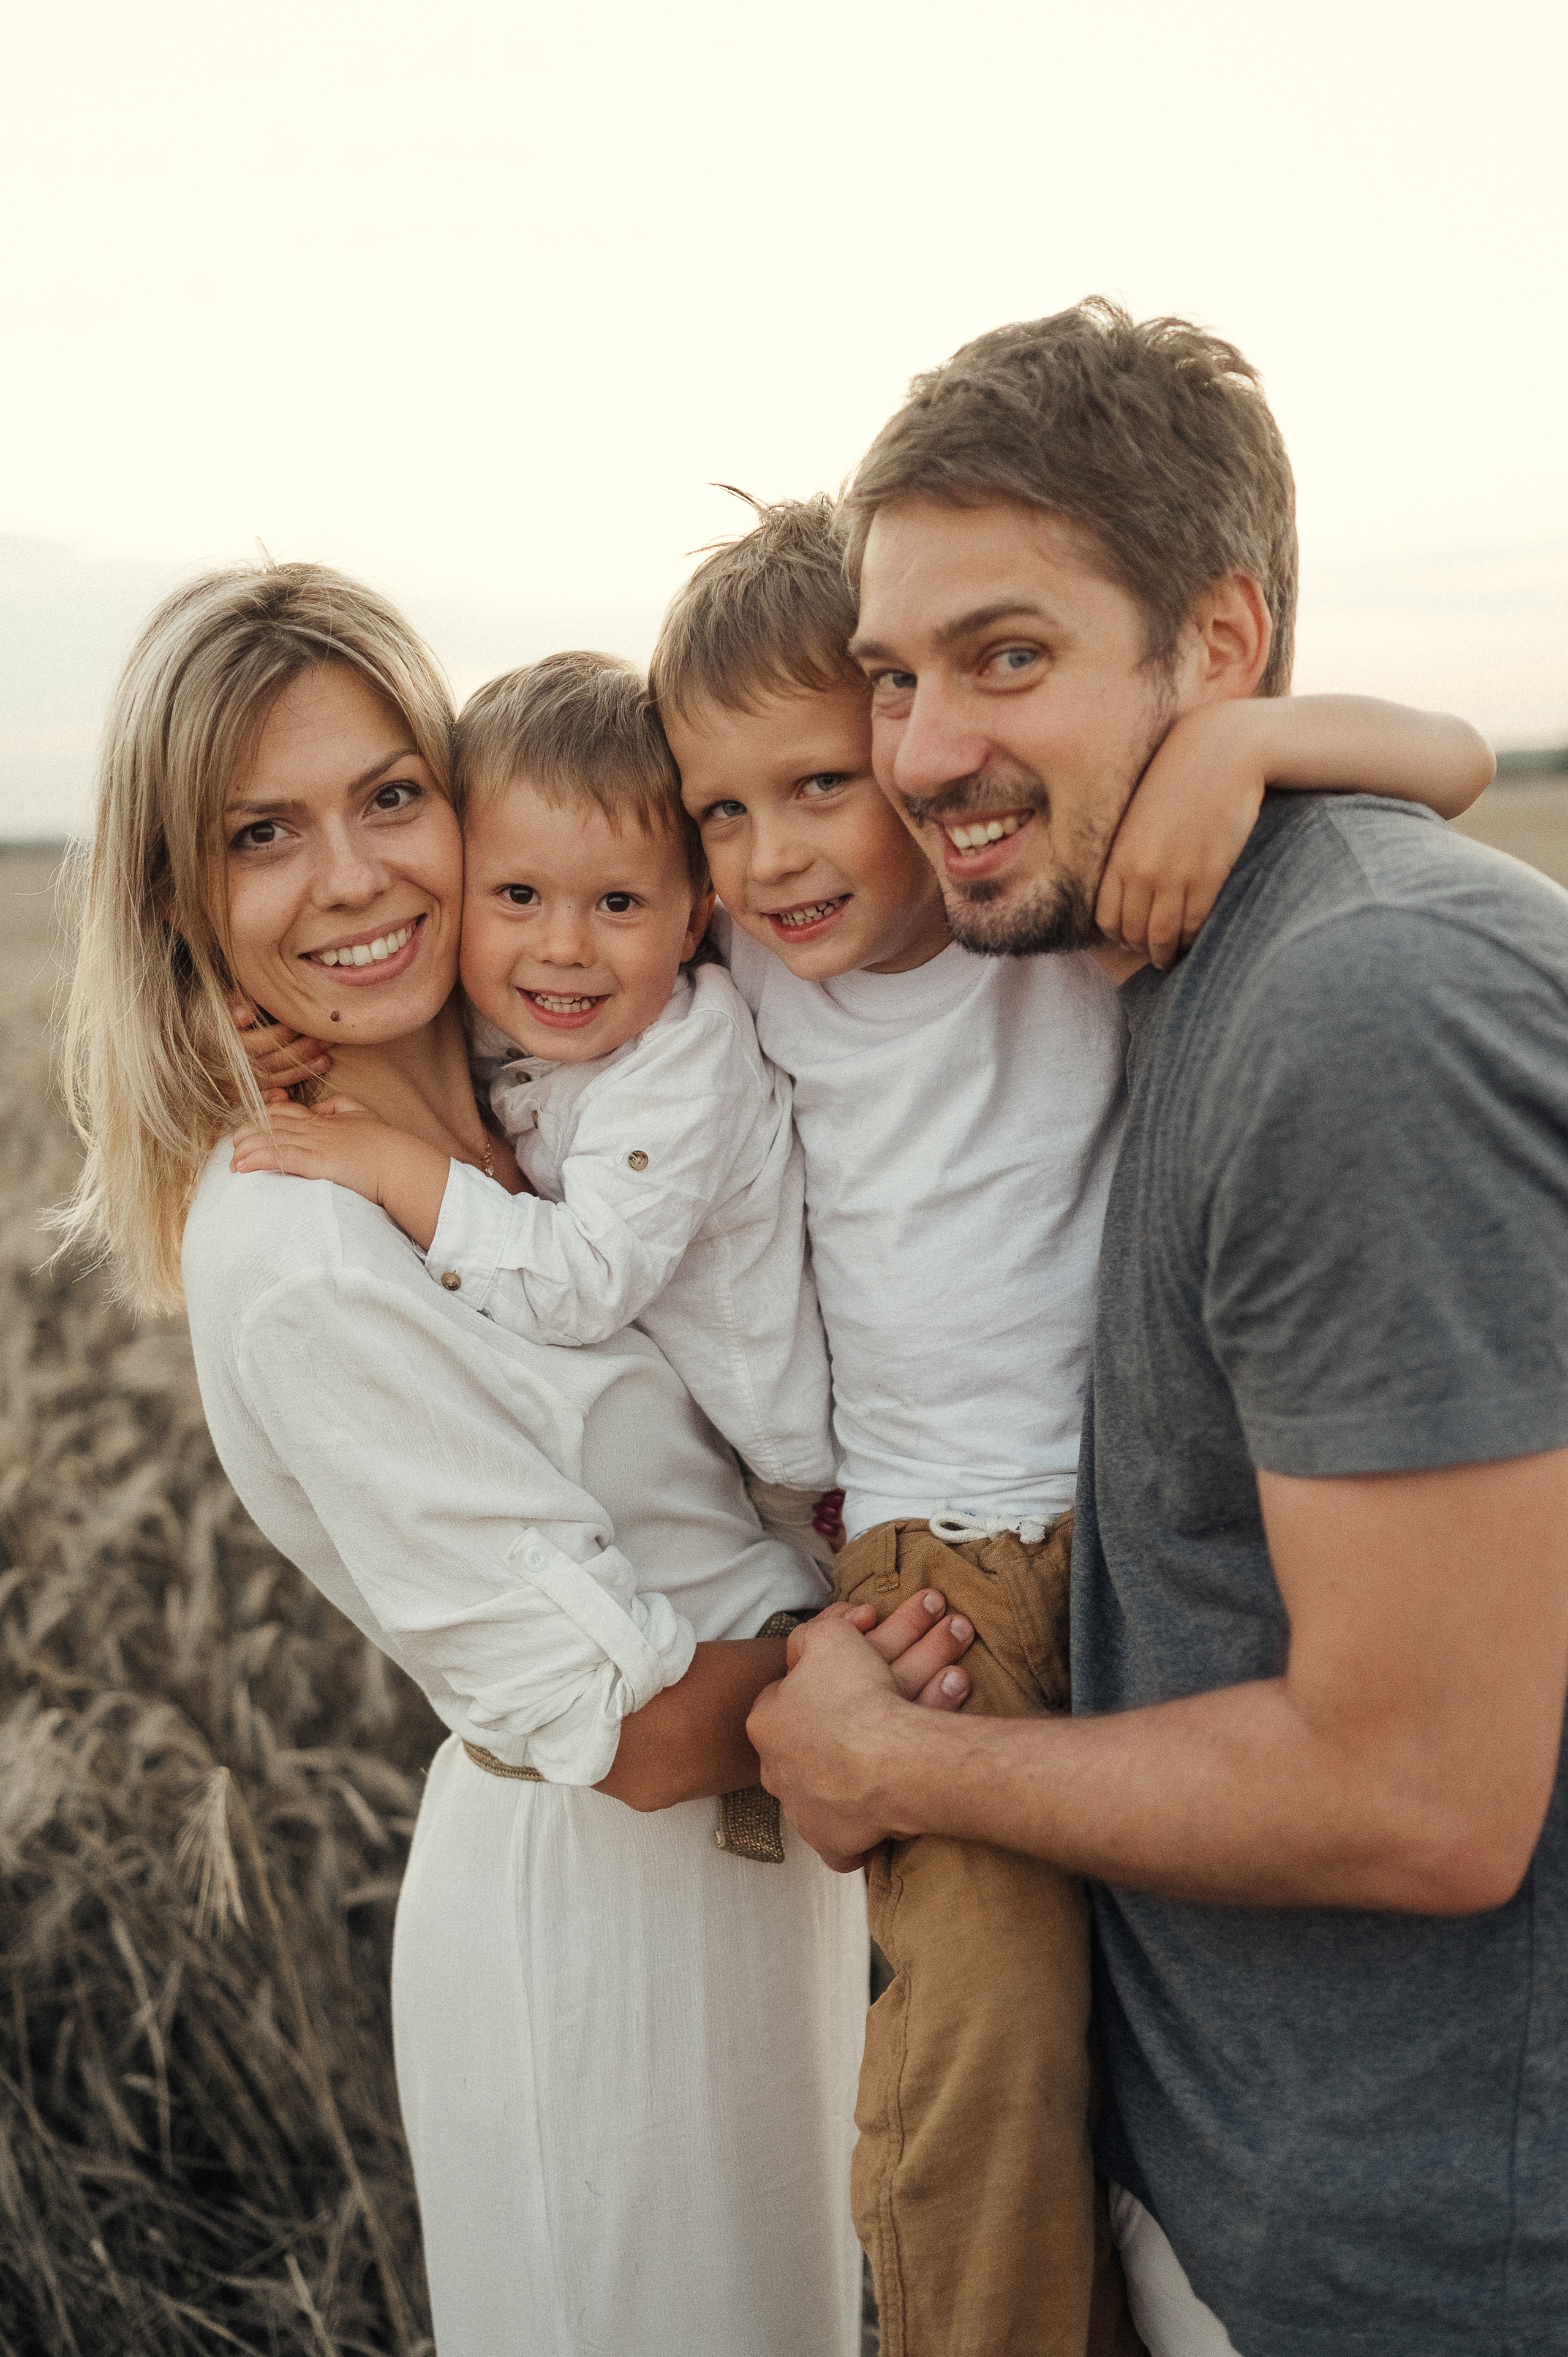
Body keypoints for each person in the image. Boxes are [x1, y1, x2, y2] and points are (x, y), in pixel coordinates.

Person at [748, 300, 1568, 2357]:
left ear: (1219, 643)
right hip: (1257, 2192)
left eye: (1005, 656)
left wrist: (901, 1753)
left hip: (1406, 2267)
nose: (923, 750)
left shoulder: (1359, 1009)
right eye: (897, 676)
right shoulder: (1160, 947)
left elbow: (1422, 1791)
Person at [53, 560, 977, 2357]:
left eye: (390, 799)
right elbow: (622, 1734)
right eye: (263, 837)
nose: (353, 879)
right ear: (182, 895)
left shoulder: (555, 1078)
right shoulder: (304, 1248)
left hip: (766, 1877)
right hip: (604, 1939)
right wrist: (927, 1661)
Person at [228, 648, 842, 1572]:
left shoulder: (685, 1064)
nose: (562, 947)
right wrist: (223, 1034)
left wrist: (392, 1165)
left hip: (804, 1483)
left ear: (693, 922)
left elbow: (585, 1280)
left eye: (618, 902)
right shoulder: (548, 1016)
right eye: (517, 895)